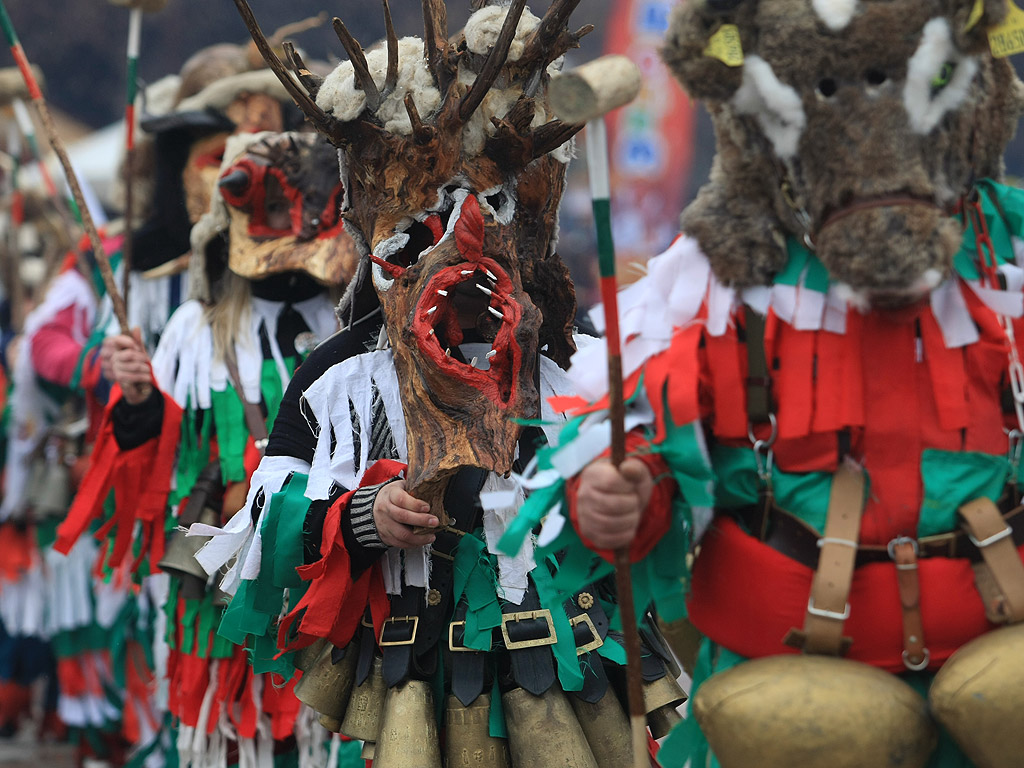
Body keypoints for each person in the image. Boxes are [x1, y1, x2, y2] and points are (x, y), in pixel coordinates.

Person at [204, 3, 684, 765]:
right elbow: (259, 534)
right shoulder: (338, 375)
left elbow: (668, 501)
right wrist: (363, 516)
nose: (457, 245)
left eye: (486, 210)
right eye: (421, 226)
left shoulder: (583, 362)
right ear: (379, 234)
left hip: (579, 657)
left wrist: (630, 494)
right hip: (418, 670)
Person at [564, 2, 1024, 767]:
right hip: (782, 704)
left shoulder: (1010, 253)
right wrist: (628, 490)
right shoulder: (718, 277)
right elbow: (654, 446)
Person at [56, 129, 356, 768]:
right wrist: (136, 405)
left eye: (311, 201)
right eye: (277, 207)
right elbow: (155, 462)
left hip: (338, 567)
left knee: (331, 731)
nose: (296, 222)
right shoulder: (196, 330)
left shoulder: (359, 319)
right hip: (220, 562)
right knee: (230, 735)